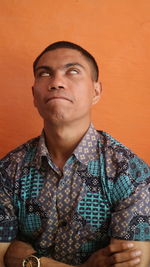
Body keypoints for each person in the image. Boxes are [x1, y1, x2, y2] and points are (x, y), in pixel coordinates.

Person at [0, 41, 149, 267]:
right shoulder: (8, 169)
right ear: (34, 94)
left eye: (73, 71)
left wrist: (28, 261)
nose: (57, 82)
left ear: (96, 91)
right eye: (45, 73)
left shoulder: (130, 173)